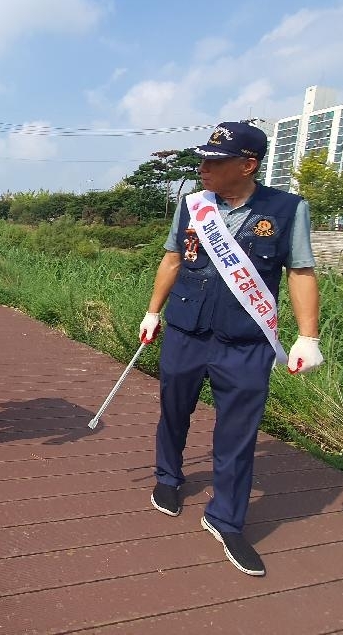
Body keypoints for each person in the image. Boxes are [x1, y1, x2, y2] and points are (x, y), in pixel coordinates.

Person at [139, 121, 323, 577]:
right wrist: (153, 312)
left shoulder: (286, 209)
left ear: (248, 165)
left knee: (238, 433)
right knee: (174, 408)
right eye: (202, 159)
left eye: (214, 162)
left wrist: (308, 335)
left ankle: (225, 518)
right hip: (186, 329)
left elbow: (300, 271)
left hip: (245, 340)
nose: (203, 169)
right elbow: (173, 258)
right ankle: (168, 478)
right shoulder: (192, 206)